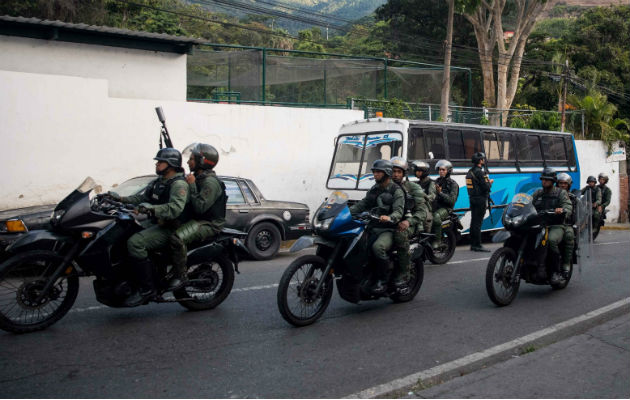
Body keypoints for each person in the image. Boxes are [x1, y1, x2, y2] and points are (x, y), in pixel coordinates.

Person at [109, 148, 189, 306]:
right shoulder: (158, 182)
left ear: (171, 164)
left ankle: (147, 289)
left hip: (171, 227)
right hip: (156, 223)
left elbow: (175, 208)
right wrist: (119, 198)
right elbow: (141, 198)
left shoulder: (179, 184)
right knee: (123, 234)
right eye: (157, 161)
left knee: (135, 243)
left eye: (160, 162)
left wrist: (151, 209)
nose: (157, 164)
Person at [166, 143, 227, 291]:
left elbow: (200, 208)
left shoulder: (210, 182)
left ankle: (180, 276)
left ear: (202, 161)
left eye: (192, 159)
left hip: (208, 223)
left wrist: (192, 185)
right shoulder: (198, 178)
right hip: (196, 220)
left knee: (176, 238)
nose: (188, 162)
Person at [349, 159, 405, 295]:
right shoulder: (375, 189)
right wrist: (345, 213)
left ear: (386, 173)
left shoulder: (396, 190)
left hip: (389, 229)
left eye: (378, 172)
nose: (375, 174)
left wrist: (390, 218)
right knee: (355, 244)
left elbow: (398, 211)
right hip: (372, 226)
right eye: (374, 172)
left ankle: (383, 280)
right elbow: (363, 204)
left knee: (377, 247)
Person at [390, 157, 427, 289]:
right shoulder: (385, 186)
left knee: (400, 234)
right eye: (393, 171)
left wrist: (408, 221)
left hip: (410, 224)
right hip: (390, 222)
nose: (395, 175)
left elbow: (422, 212)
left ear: (404, 173)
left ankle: (404, 272)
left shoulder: (412, 187)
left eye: (399, 172)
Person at [533, 168, 573, 284]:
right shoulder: (538, 193)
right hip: (540, 224)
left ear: (553, 181)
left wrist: (563, 210)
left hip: (556, 224)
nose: (544, 182)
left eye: (547, 180)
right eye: (543, 179)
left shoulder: (561, 193)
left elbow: (568, 206)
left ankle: (556, 271)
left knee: (550, 240)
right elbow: (528, 203)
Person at [465, 152, 493, 252]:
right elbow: (486, 187)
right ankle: (477, 245)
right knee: (478, 223)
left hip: (472, 199)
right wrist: (490, 183)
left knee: (474, 222)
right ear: (480, 161)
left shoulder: (470, 171)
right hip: (480, 200)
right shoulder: (480, 172)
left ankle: (473, 244)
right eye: (483, 159)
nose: (484, 160)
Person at [431, 160, 459, 249]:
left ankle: (438, 241)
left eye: (443, 170)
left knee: (436, 217)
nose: (441, 171)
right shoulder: (437, 181)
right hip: (435, 205)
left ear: (448, 171)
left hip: (446, 208)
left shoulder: (453, 184)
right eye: (439, 170)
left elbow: (452, 201)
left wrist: (440, 193)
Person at [556, 173, 576, 275]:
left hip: (566, 224)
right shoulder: (553, 194)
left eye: (565, 183)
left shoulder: (572, 198)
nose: (563, 185)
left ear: (569, 185)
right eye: (560, 183)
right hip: (551, 223)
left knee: (569, 235)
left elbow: (575, 214)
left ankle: (566, 263)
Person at [413, 161, 436, 231]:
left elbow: (432, 196)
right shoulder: (417, 183)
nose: (417, 173)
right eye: (416, 171)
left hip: (428, 207)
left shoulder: (431, 183)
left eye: (419, 171)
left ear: (424, 172)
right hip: (418, 205)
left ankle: (427, 236)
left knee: (426, 222)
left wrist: (424, 197)